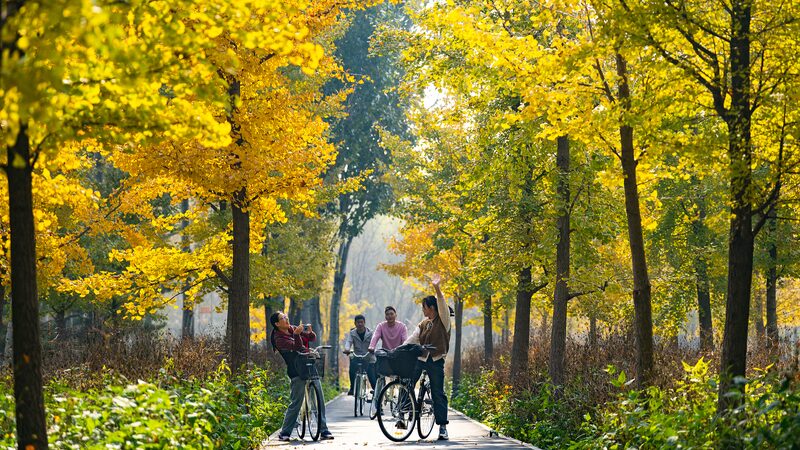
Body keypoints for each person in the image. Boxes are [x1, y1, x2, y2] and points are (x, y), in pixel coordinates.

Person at [270, 311, 334, 441]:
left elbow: (311, 338)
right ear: (277, 324)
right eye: (283, 318)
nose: (286, 318)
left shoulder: (292, 328)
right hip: (296, 370)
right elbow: (297, 347)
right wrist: (297, 335)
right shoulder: (278, 338)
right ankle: (285, 432)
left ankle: (324, 430)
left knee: (319, 400)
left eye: (286, 316)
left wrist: (310, 333)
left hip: (308, 365)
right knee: (296, 402)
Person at [404, 274, 452, 441]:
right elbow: (413, 338)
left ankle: (443, 427)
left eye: (424, 307)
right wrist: (399, 349)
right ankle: (405, 414)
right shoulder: (424, 323)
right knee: (408, 382)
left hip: (436, 360)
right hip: (421, 359)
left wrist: (437, 288)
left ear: (432, 307)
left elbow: (442, 304)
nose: (423, 311)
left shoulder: (444, 320)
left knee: (438, 392)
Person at [343, 314, 376, 395]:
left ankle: (376, 390)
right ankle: (352, 387)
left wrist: (373, 349)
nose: (360, 324)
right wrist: (347, 349)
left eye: (361, 322)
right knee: (352, 369)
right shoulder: (352, 333)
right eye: (358, 322)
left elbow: (374, 343)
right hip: (357, 355)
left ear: (364, 323)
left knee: (371, 374)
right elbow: (348, 342)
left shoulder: (370, 333)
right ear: (355, 323)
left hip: (368, 356)